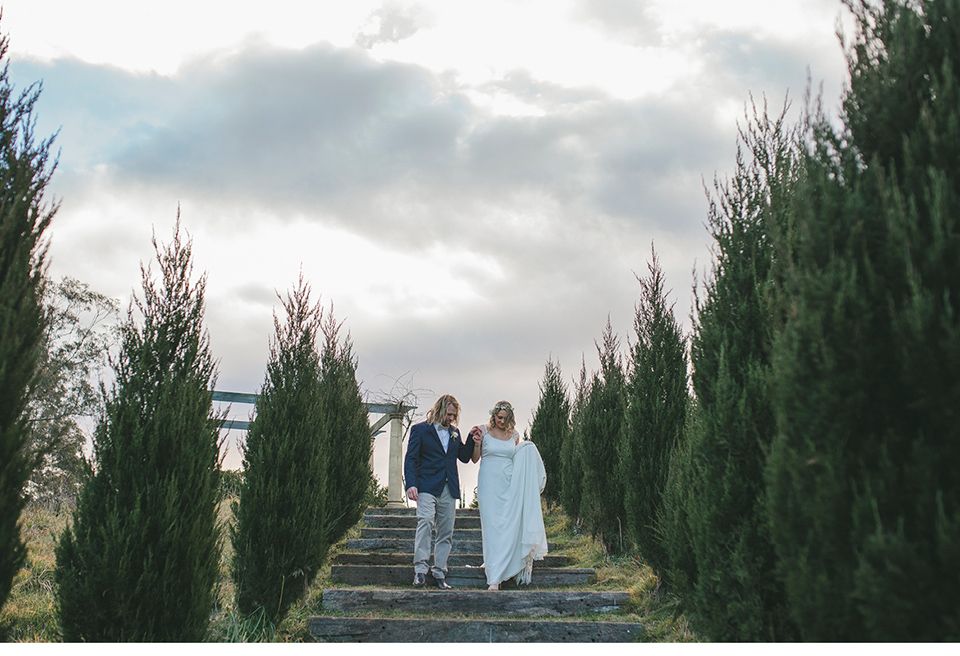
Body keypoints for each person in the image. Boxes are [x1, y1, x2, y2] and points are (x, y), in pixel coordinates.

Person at [469, 400, 548, 591]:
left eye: (505, 418)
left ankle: (500, 566)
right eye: (499, 417)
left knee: (506, 524)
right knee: (491, 525)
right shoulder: (483, 431)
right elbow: (474, 459)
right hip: (488, 482)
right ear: (494, 415)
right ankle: (494, 573)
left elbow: (518, 457)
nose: (502, 421)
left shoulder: (515, 435)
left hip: (509, 482)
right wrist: (477, 444)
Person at [403, 393, 477, 590]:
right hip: (426, 485)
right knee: (425, 521)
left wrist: (471, 437)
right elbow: (411, 459)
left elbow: (464, 457)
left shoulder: (455, 432)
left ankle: (439, 572)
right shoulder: (420, 430)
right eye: (449, 414)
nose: (451, 418)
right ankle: (420, 570)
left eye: (454, 415)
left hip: (448, 488)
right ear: (439, 410)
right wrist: (411, 484)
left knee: (446, 532)